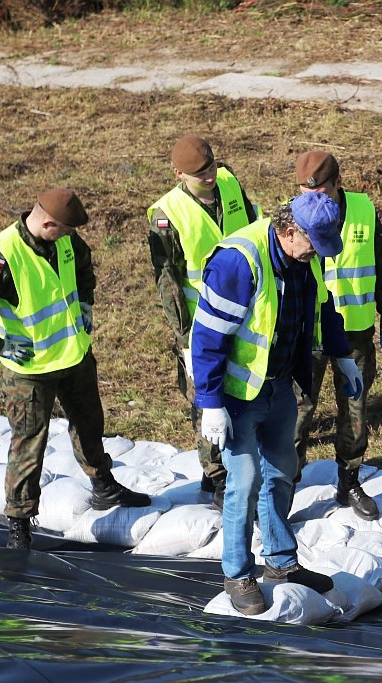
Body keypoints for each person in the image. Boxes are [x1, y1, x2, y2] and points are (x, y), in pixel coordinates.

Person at [190, 192, 363, 615]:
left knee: (283, 473)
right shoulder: (238, 263)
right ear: (289, 232)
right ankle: (237, 573)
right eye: (313, 245)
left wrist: (342, 355)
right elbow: (207, 338)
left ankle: (282, 564)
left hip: (280, 386)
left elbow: (323, 309)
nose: (317, 255)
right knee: (244, 482)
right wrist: (210, 402)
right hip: (237, 395)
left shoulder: (306, 258)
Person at [0, 188, 151, 550]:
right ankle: (19, 520)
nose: (68, 236)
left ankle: (103, 486)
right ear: (47, 222)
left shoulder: (66, 240)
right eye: (63, 230)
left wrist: (87, 304)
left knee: (89, 423)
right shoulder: (1, 258)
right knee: (29, 443)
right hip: (29, 370)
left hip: (73, 356)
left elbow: (82, 265)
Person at [147, 135, 258, 510]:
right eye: (199, 174)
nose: (209, 177)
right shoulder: (166, 214)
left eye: (211, 167)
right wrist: (183, 339)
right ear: (178, 174)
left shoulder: (228, 181)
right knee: (207, 402)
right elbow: (168, 282)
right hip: (201, 323)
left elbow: (253, 228)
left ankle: (235, 457)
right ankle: (217, 478)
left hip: (247, 312)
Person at [292, 151, 382, 521]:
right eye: (306, 191)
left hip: (355, 333)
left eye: (321, 189)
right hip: (307, 335)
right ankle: (286, 484)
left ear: (338, 183)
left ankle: (349, 479)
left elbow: (381, 267)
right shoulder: (292, 217)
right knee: (297, 411)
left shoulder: (365, 212)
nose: (313, 198)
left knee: (354, 409)